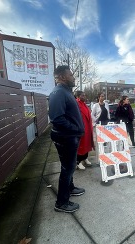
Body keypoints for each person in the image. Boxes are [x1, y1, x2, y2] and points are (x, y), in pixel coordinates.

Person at [49, 65, 85, 213]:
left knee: (69, 166)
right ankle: (61, 203)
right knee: (67, 168)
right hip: (66, 138)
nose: (73, 77)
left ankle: (70, 188)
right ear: (63, 77)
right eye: (71, 75)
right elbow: (57, 118)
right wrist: (76, 129)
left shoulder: (65, 92)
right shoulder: (58, 93)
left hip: (70, 137)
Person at [75, 90, 95, 170]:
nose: (85, 97)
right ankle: (78, 162)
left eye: (85, 95)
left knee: (87, 144)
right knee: (81, 145)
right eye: (83, 95)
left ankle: (85, 158)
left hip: (87, 127)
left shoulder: (84, 104)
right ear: (78, 96)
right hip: (81, 128)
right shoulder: (76, 104)